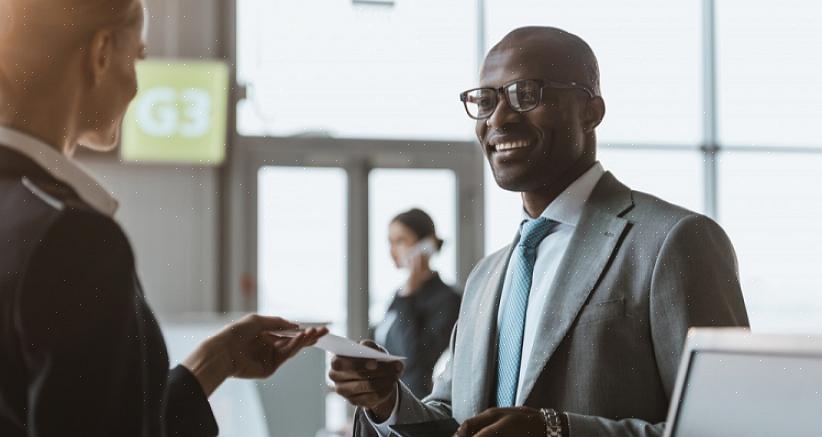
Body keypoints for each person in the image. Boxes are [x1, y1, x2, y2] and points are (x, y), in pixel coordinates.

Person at [329, 26, 749, 436]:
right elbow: (455, 420)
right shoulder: (486, 277)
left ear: (591, 111)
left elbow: (732, 424)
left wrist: (558, 430)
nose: (500, 118)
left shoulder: (674, 240)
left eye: (526, 94)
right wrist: (389, 401)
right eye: (485, 100)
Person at [0, 1, 327, 436]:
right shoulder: (73, 240)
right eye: (137, 56)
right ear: (101, 51)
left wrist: (214, 362)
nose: (137, 85)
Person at [372, 208, 461, 398]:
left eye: (400, 241)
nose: (392, 251)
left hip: (418, 403)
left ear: (425, 245)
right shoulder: (401, 294)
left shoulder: (447, 299)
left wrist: (409, 294)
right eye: (390, 242)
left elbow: (413, 360)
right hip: (387, 400)